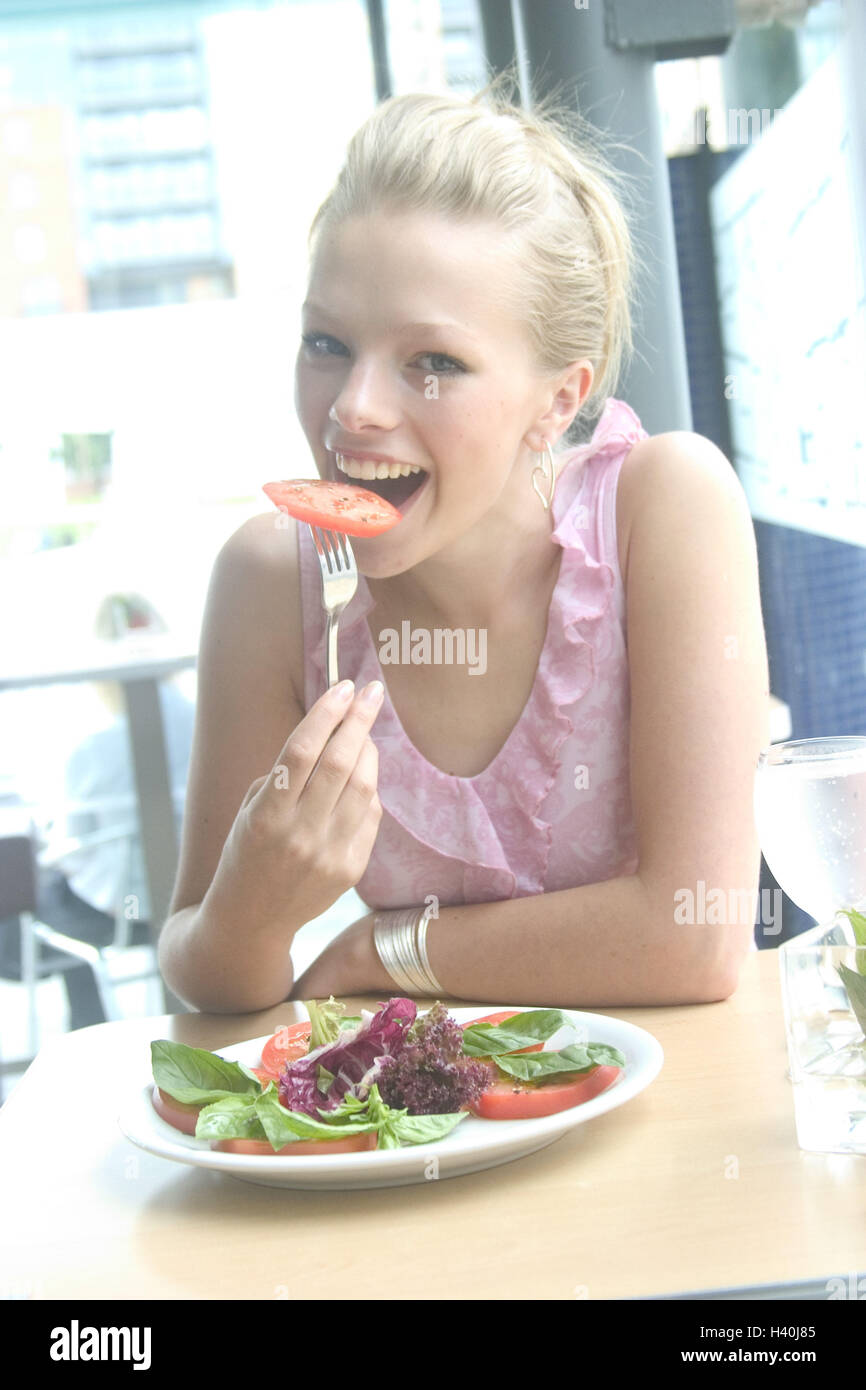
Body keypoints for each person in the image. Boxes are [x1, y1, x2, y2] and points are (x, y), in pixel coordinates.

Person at [158, 73, 770, 1014]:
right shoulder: (271, 580)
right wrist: (254, 899)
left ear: (557, 402)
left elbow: (694, 939)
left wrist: (379, 950)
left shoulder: (663, 507)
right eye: (327, 344)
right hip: (433, 1134)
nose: (353, 409)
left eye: (432, 363)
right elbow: (205, 972)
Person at [36, 591, 194, 1027]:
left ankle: (87, 1028)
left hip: (121, 914)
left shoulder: (90, 749)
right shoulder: (208, 724)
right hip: (199, 901)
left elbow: (72, 848)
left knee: (45, 903)